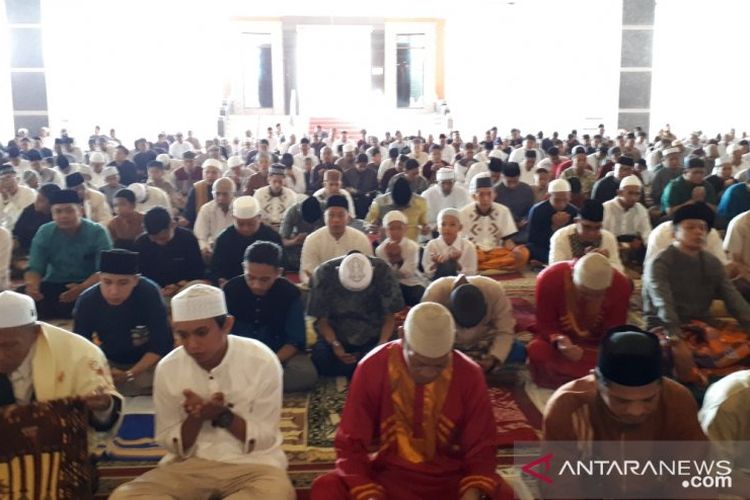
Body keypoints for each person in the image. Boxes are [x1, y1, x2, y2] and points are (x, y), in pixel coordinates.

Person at [109, 284, 294, 500]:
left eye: (201, 332)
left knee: (275, 494)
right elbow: (169, 442)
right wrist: (194, 419)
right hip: (188, 467)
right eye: (183, 335)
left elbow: (265, 439)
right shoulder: (169, 367)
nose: (192, 345)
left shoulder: (261, 360)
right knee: (124, 497)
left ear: (227, 325)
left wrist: (222, 416)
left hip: (254, 467)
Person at [310, 302, 512, 500]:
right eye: (420, 363)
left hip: (449, 482)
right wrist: (368, 494)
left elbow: (482, 448)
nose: (429, 373)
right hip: (385, 479)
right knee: (326, 488)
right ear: (402, 336)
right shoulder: (372, 367)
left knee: (504, 493)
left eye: (439, 365)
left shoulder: (469, 373)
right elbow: (350, 446)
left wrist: (472, 492)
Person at [541, 328, 706, 498]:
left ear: (661, 385)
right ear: (597, 381)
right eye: (622, 401)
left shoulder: (677, 400)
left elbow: (693, 474)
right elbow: (558, 483)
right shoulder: (567, 406)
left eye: (648, 400)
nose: (636, 411)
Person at [643, 202, 750, 384]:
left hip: (703, 326)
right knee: (665, 355)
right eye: (690, 227)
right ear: (674, 233)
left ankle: (711, 375)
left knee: (744, 344)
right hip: (664, 327)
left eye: (703, 228)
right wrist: (675, 339)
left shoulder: (711, 263)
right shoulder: (660, 262)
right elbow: (663, 303)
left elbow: (733, 299)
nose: (698, 232)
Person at [0, 290, 122, 433]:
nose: (1, 356)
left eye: (9, 346)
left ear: (35, 332)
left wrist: (104, 406)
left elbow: (102, 418)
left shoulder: (79, 353)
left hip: (62, 446)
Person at [73, 249, 172, 396]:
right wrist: (104, 369)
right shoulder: (87, 300)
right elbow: (81, 345)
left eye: (123, 283)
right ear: (99, 278)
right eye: (107, 282)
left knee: (167, 377)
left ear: (135, 280)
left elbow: (162, 343)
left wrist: (130, 374)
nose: (114, 291)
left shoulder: (149, 293)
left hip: (146, 363)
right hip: (109, 361)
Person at [223, 241, 318, 392]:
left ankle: (246, 385)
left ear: (278, 272)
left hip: (276, 357)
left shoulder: (289, 293)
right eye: (251, 278)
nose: (256, 285)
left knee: (306, 375)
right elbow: (222, 335)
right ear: (243, 268)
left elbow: (294, 341)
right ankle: (261, 385)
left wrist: (269, 361)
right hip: (238, 357)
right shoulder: (230, 290)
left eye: (264, 279)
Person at [527, 253, 632, 388]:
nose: (590, 299)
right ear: (572, 278)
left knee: (626, 357)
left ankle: (574, 378)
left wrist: (597, 352)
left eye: (597, 295)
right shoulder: (550, 277)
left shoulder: (620, 285)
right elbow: (544, 323)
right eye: (585, 293)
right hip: (561, 347)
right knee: (537, 350)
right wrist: (559, 340)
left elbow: (615, 332)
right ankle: (594, 378)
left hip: (596, 349)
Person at [308, 252, 404, 378]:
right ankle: (362, 367)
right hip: (337, 333)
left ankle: (360, 366)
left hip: (373, 334)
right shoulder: (324, 273)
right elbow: (322, 321)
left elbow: (389, 317)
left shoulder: (382, 271)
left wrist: (381, 344)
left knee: (388, 358)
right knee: (321, 358)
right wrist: (335, 344)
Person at [24, 189, 112, 319]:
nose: (63, 216)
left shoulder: (98, 232)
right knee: (22, 300)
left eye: (69, 210)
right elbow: (35, 267)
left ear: (80, 211)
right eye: (58, 211)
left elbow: (105, 270)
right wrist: (33, 287)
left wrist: (82, 288)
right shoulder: (45, 232)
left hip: (89, 285)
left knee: (103, 298)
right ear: (52, 214)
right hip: (55, 283)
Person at [422, 274, 525, 373]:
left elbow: (505, 330)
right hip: (450, 345)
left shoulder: (494, 291)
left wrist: (493, 358)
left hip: (484, 341)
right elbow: (424, 335)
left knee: (518, 352)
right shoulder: (434, 295)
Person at [460, 174, 528, 272]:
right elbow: (461, 241)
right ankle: (492, 266)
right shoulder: (464, 213)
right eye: (481, 194)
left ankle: (486, 266)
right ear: (474, 196)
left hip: (496, 251)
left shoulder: (503, 210)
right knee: (466, 257)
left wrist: (516, 252)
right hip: (475, 252)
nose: (486, 198)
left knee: (522, 253)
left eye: (489, 194)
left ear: (494, 195)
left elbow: (507, 241)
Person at [300, 195, 372, 285]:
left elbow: (367, 271)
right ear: (324, 217)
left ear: (348, 218)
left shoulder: (361, 239)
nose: (336, 220)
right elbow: (307, 272)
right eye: (331, 215)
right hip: (322, 289)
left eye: (341, 215)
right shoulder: (312, 240)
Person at [133, 207, 205, 297]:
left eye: (163, 238)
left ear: (173, 225)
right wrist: (158, 290)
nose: (160, 242)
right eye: (154, 240)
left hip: (184, 287)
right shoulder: (141, 243)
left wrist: (177, 286)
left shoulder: (188, 238)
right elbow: (140, 275)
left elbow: (197, 271)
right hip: (154, 290)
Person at [210, 196, 282, 284]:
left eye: (251, 224)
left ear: (259, 218)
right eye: (240, 224)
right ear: (234, 218)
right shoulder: (224, 239)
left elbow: (281, 266)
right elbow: (215, 270)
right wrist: (221, 281)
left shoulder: (272, 237)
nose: (245, 229)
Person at [549, 199, 624, 272]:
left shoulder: (608, 238)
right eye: (587, 227)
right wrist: (587, 261)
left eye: (597, 228)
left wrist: (604, 262)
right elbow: (556, 270)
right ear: (576, 221)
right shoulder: (561, 237)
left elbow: (619, 270)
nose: (592, 233)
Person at [374, 210, 425, 306]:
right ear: (386, 231)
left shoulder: (412, 247)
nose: (395, 232)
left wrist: (396, 259)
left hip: (411, 283)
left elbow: (408, 273)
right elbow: (385, 274)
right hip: (390, 285)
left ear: (405, 229)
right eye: (391, 229)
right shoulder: (380, 250)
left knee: (419, 294)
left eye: (399, 228)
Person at [602, 175, 651, 266]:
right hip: (609, 249)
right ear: (620, 193)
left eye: (637, 194)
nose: (634, 198)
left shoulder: (641, 210)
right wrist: (624, 246)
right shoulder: (606, 208)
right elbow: (601, 235)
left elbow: (647, 235)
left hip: (632, 252)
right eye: (630, 193)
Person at [526, 178, 578, 264]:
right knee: (529, 249)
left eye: (565, 200)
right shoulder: (537, 210)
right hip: (544, 248)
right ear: (548, 196)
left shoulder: (574, 211)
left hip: (564, 249)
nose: (561, 204)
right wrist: (554, 227)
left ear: (570, 197)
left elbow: (574, 240)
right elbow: (533, 239)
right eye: (557, 200)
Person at [366, 177, 429, 242]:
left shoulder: (420, 202)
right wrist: (370, 227)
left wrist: (425, 229)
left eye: (405, 206)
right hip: (386, 245)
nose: (401, 209)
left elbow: (424, 224)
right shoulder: (379, 202)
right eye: (397, 206)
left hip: (411, 245)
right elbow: (367, 223)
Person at [422, 208, 478, 279]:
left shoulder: (468, 246)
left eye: (452, 224)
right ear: (438, 228)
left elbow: (471, 274)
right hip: (437, 283)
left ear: (460, 227)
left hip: (461, 284)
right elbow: (428, 274)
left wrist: (455, 263)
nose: (447, 228)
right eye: (443, 224)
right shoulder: (432, 245)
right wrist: (437, 264)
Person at [279, 196, 324, 272]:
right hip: (298, 248)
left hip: (320, 247)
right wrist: (295, 241)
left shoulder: (326, 209)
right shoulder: (292, 212)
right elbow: (281, 241)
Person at [194, 177, 235, 261]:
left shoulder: (239, 209)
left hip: (236, 250)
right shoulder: (206, 209)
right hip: (212, 252)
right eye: (217, 194)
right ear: (212, 194)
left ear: (233, 194)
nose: (221, 198)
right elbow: (200, 236)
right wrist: (205, 248)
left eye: (225, 194)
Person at [12, 183, 59, 254]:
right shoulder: (30, 210)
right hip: (21, 250)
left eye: (41, 200)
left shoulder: (57, 219)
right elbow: (16, 234)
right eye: (37, 198)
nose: (36, 202)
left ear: (52, 204)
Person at [494, 162, 535, 243]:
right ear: (502, 177)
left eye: (515, 181)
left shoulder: (527, 189)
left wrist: (522, 222)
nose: (512, 185)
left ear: (519, 177)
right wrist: (510, 225)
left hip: (522, 228)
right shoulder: (495, 192)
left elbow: (530, 211)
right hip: (502, 229)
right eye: (509, 182)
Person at [253, 165, 298, 232]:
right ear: (269, 179)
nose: (277, 185)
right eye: (274, 181)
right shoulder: (259, 194)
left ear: (284, 181)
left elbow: (293, 218)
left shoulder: (292, 195)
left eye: (280, 182)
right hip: (263, 229)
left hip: (285, 229)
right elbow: (256, 215)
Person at [183, 160, 221, 226]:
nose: (210, 175)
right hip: (200, 224)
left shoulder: (225, 186)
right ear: (203, 173)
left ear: (220, 174)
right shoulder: (197, 188)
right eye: (207, 172)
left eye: (214, 173)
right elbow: (189, 214)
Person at [0, 163, 36, 230]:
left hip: (25, 231)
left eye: (9, 177)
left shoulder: (28, 193)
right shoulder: (1, 196)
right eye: (2, 179)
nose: (7, 182)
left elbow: (20, 220)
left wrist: (7, 201)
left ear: (16, 178)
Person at [343, 153, 379, 218]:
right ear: (355, 164)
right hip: (352, 201)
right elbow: (345, 188)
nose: (362, 168)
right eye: (360, 166)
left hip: (367, 201)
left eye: (364, 166)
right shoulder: (347, 173)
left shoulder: (372, 173)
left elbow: (375, 189)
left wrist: (358, 192)